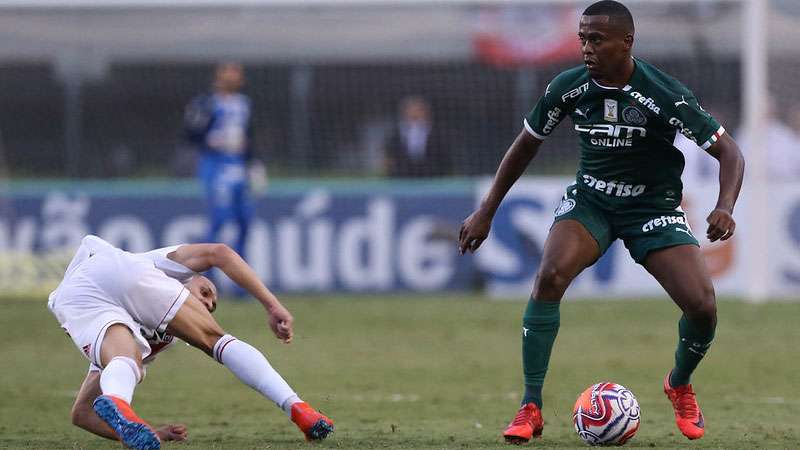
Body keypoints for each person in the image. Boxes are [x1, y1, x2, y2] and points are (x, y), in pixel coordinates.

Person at [458, 0, 744, 444]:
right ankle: (530, 406)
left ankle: (680, 383)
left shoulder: (666, 93)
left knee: (702, 305)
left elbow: (730, 153)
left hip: (652, 209)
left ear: (626, 42)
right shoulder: (568, 87)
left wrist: (725, 205)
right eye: (582, 39)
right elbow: (525, 145)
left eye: (596, 39)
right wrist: (487, 210)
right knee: (549, 276)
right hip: (592, 203)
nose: (586, 49)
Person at [48, 235, 334, 450]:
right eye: (207, 291)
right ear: (192, 278)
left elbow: (83, 413)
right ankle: (298, 408)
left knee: (125, 361)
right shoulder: (164, 264)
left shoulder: (158, 336)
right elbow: (219, 252)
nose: (207, 303)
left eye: (211, 305)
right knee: (216, 340)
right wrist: (272, 305)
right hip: (110, 265)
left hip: (72, 297)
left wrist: (148, 432)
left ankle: (120, 405)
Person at [184, 62, 265, 262]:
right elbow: (190, 133)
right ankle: (204, 275)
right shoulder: (206, 103)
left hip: (239, 169)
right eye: (228, 72)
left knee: (244, 221)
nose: (233, 77)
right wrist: (210, 141)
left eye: (236, 73)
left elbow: (250, 137)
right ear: (218, 76)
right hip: (216, 168)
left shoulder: (244, 104)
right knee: (218, 220)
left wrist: (254, 164)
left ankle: (241, 283)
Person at [384, 96, 449, 177]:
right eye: (411, 110)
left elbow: (444, 156)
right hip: (403, 179)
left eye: (418, 110)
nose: (414, 113)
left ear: (426, 112)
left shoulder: (439, 133)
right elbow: (390, 156)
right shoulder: (395, 134)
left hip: (432, 178)